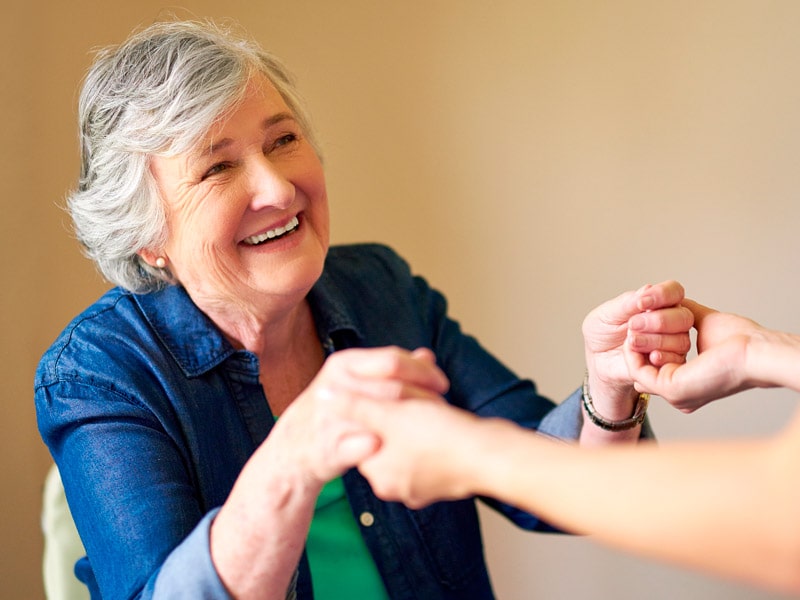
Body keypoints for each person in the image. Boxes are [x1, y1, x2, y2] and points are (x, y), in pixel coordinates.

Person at [34, 18, 692, 600]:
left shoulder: (380, 288)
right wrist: (294, 454)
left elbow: (543, 487)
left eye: (283, 140)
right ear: (147, 239)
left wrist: (610, 390)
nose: (276, 186)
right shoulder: (98, 376)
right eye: (216, 169)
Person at [349, 299, 800, 595]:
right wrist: (765, 351)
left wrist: (472, 452)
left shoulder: (385, 291)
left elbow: (784, 517)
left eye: (289, 143)